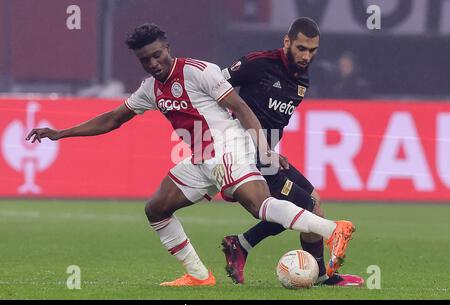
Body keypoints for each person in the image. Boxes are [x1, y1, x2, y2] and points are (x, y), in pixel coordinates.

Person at [25, 23, 355, 287]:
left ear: (167, 48)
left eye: (157, 55)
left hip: (229, 146)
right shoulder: (151, 90)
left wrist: (264, 148)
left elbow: (239, 107)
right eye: (145, 60)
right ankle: (199, 275)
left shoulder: (199, 71)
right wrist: (60, 133)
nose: (153, 63)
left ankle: (331, 230)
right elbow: (113, 118)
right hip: (201, 159)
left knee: (258, 205)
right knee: (156, 208)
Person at [221, 18, 364, 286]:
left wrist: (271, 150)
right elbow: (213, 85)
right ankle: (320, 275)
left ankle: (241, 245)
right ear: (287, 42)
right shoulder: (258, 63)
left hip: (268, 155)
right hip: (246, 155)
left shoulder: (302, 78)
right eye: (301, 48)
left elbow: (272, 121)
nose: (306, 56)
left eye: (312, 50)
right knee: (310, 209)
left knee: (313, 198)